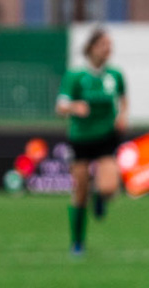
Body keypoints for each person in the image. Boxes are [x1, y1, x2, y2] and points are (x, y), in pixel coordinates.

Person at [55, 29, 128, 258]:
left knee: (109, 187)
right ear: (91, 48)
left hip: (106, 137)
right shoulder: (75, 76)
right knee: (79, 192)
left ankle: (100, 196)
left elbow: (123, 99)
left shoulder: (115, 75)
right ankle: (77, 243)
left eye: (110, 46)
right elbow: (60, 106)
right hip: (81, 138)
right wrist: (75, 107)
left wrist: (122, 116)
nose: (108, 50)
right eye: (104, 45)